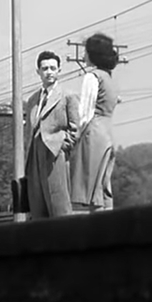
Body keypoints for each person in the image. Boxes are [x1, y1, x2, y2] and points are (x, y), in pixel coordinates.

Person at [23, 51, 80, 219]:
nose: (49, 72)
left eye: (53, 68)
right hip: (35, 155)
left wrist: (63, 146)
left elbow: (76, 128)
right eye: (45, 68)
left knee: (59, 204)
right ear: (38, 72)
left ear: (59, 70)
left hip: (55, 154)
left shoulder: (68, 96)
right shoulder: (33, 100)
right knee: (37, 206)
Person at [70, 33, 120, 212]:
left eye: (86, 52)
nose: (83, 56)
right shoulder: (109, 78)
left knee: (89, 189)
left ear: (92, 55)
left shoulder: (92, 77)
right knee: (104, 185)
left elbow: (85, 112)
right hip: (109, 133)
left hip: (94, 133)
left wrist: (75, 137)